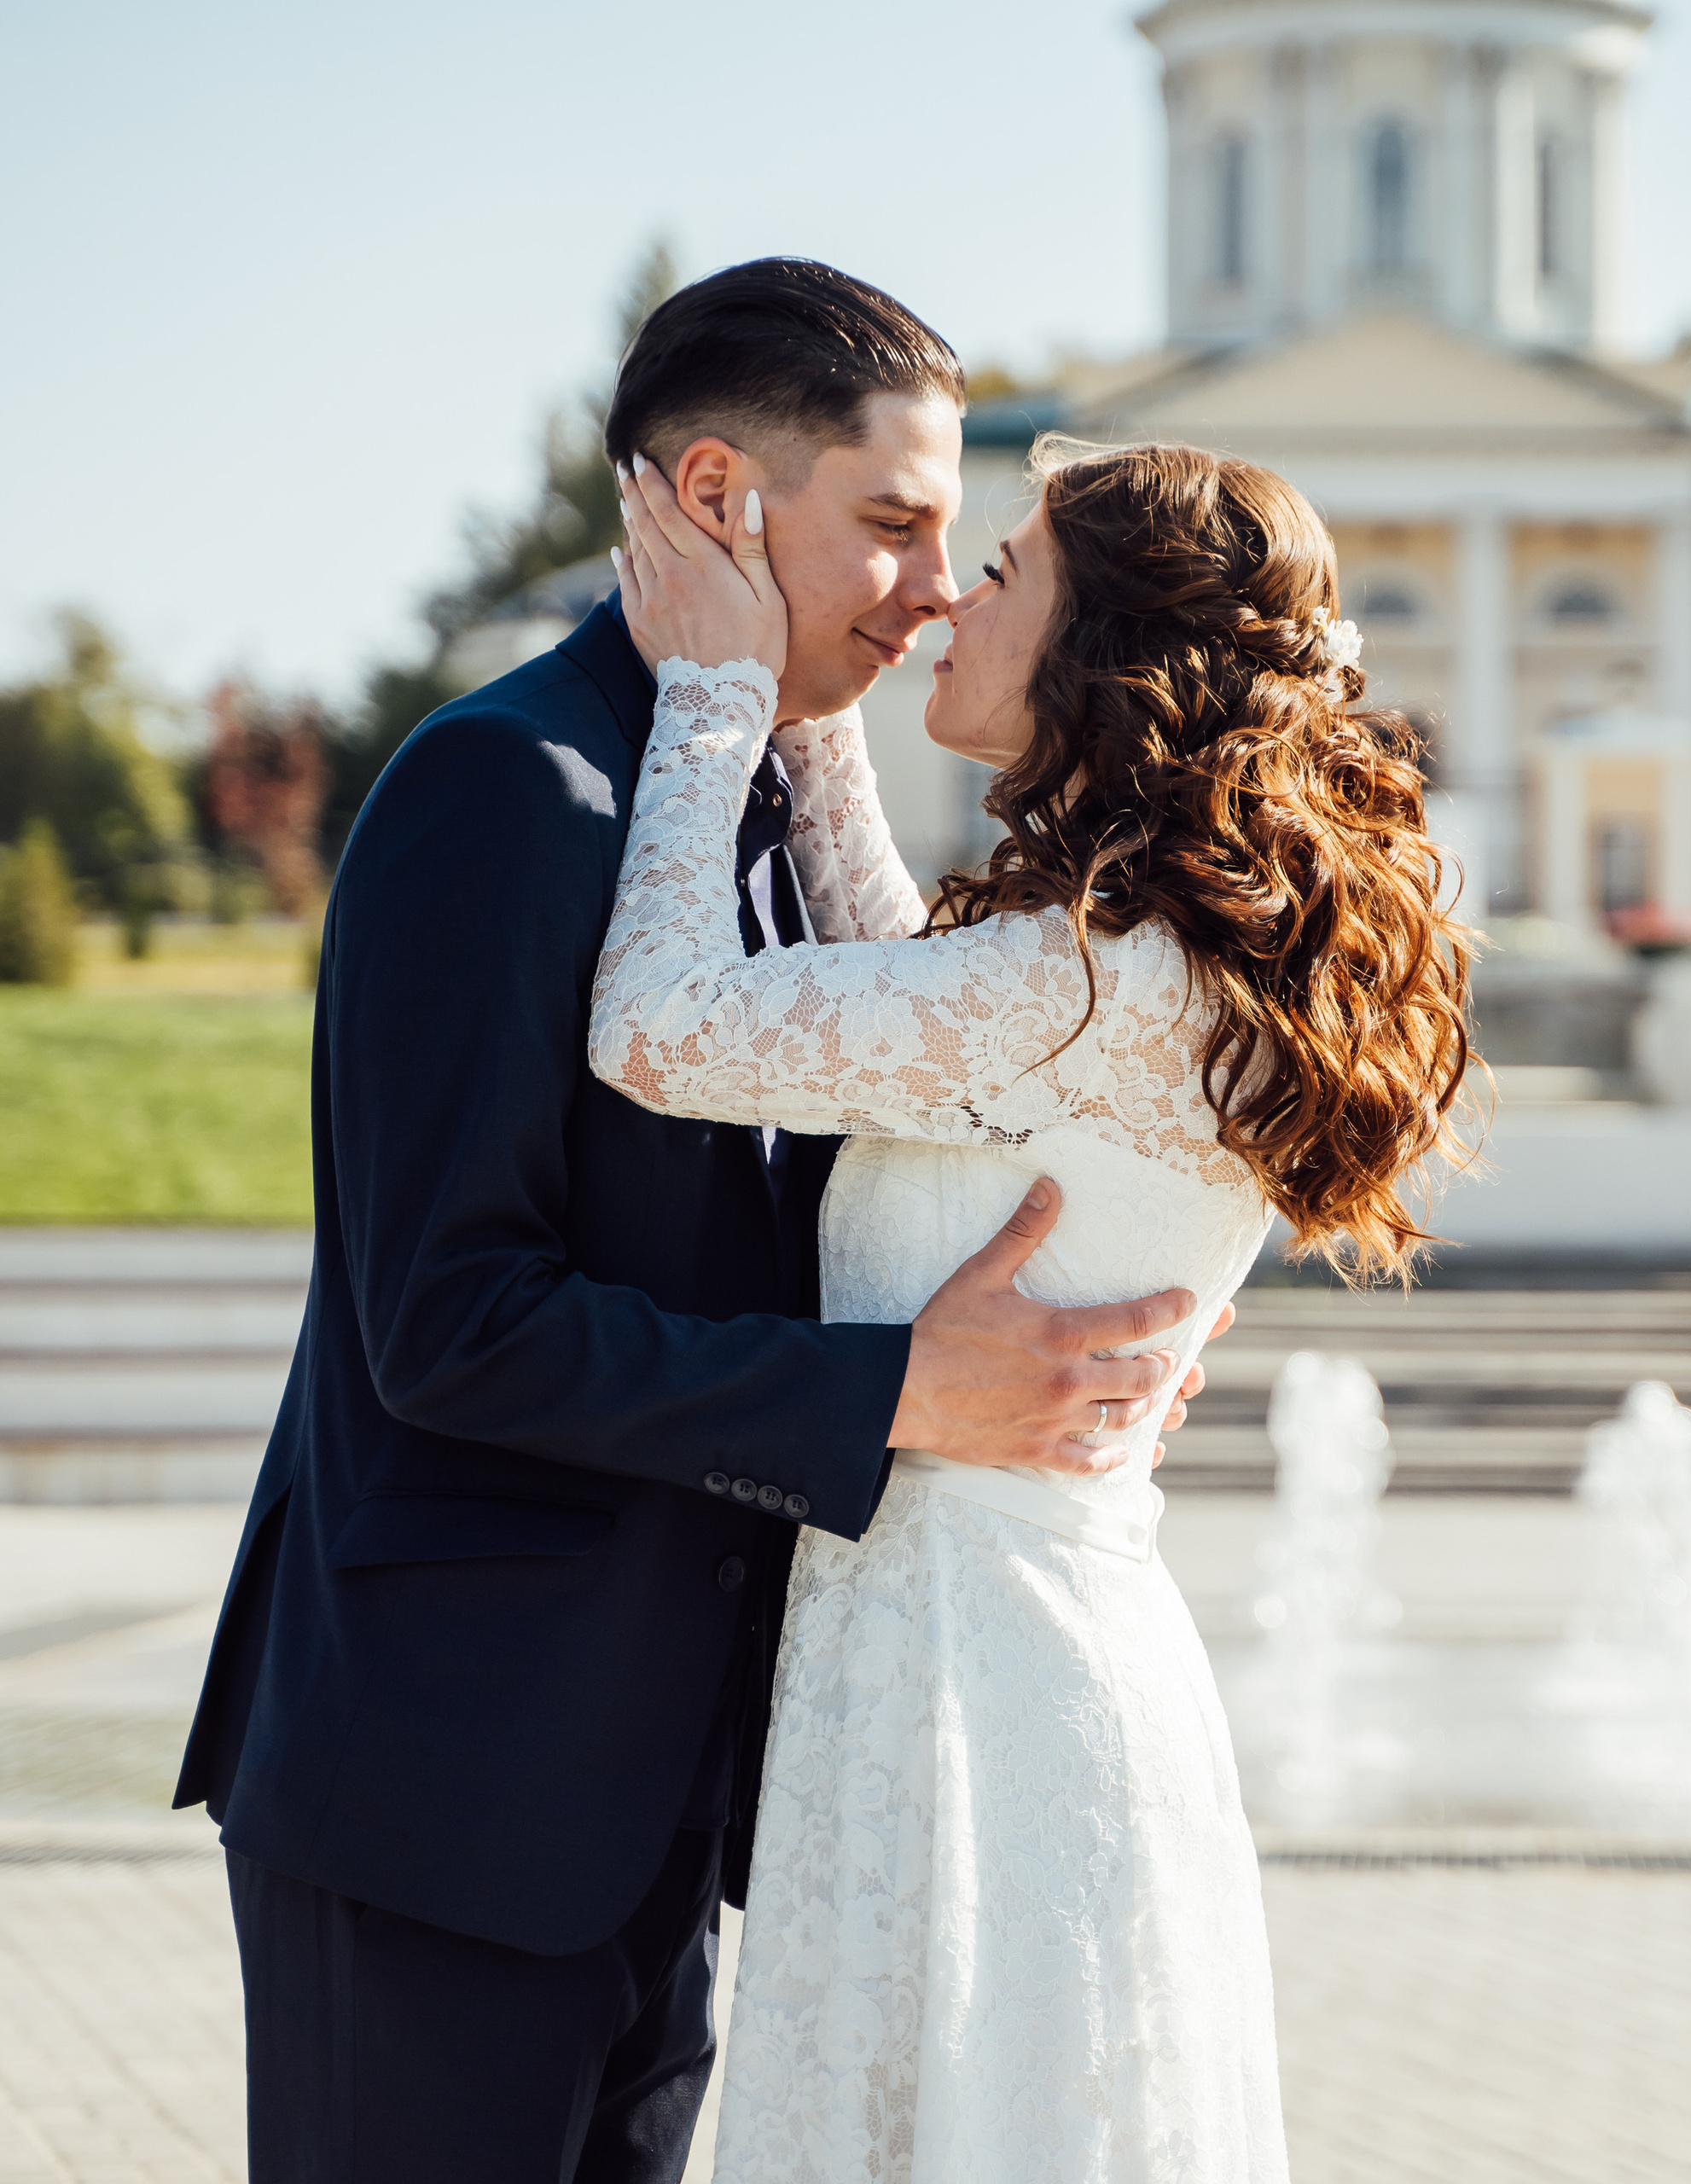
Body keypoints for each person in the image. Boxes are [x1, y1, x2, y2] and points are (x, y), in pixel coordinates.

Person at [174, 259, 1222, 2183]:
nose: (932, 589)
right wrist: (894, 1390)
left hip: (668, 1804)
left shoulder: (751, 804)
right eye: (897, 525)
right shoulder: (510, 791)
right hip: (445, 1787)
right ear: (723, 498)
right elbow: (453, 1320)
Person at [596, 428, 1473, 2180]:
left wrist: (718, 689)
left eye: (997, 575)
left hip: (972, 1695)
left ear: (1104, 653)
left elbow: (659, 1026)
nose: (942, 601)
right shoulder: (1107, 964)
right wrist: (818, 703)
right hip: (1007, 1657)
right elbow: (892, 992)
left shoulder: (1075, 985)